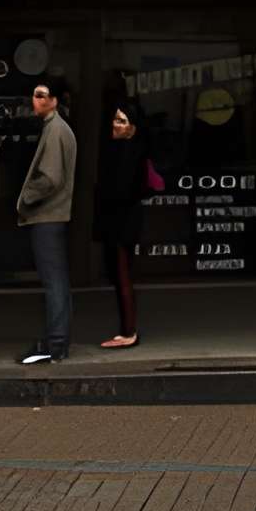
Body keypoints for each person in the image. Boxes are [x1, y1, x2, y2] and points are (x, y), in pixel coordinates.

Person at [17, 74, 76, 365]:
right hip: (52, 215)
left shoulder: (55, 130)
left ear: (54, 101)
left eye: (41, 95)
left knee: (54, 282)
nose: (35, 100)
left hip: (47, 215)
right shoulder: (57, 128)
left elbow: (51, 177)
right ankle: (58, 341)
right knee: (58, 281)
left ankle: (55, 343)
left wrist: (27, 196)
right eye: (35, 94)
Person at [94, 100, 150, 348]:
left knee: (123, 274)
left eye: (122, 121)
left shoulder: (131, 153)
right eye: (115, 120)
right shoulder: (119, 150)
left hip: (123, 222)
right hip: (119, 221)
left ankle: (129, 331)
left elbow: (122, 190)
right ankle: (127, 329)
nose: (115, 125)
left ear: (133, 127)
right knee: (119, 275)